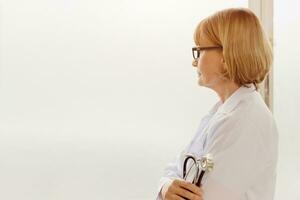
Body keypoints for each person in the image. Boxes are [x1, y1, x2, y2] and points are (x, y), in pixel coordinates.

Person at [156, 8, 278, 200]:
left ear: (225, 57)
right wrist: (166, 186)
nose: (194, 62)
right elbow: (178, 166)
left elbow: (201, 196)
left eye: (199, 50)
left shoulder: (245, 122)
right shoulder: (222, 112)